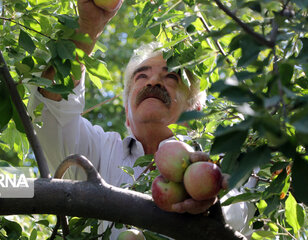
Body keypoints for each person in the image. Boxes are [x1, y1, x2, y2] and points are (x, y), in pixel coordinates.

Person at [28, 0, 255, 238]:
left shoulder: (229, 162)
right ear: (127, 112)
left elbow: (240, 213)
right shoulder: (101, 154)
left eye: (171, 77)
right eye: (141, 76)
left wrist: (207, 193)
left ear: (195, 108)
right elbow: (49, 111)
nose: (153, 81)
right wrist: (88, 29)